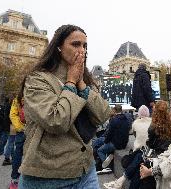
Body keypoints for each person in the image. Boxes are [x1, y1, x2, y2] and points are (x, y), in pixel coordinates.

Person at [19, 24, 111, 189]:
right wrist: (70, 82)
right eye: (76, 44)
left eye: (85, 46)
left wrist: (81, 82)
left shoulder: (85, 80)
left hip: (85, 170)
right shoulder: (38, 79)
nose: (81, 50)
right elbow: (56, 120)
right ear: (59, 47)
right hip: (48, 176)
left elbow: (103, 114)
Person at [104, 105, 152, 189]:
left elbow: (134, 134)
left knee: (135, 160)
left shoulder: (136, 123)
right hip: (144, 151)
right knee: (137, 165)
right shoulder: (153, 123)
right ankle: (121, 180)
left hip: (141, 151)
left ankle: (119, 178)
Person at [97, 104, 130, 172]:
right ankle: (109, 157)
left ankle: (106, 167)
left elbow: (109, 134)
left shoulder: (114, 120)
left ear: (114, 110)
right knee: (101, 142)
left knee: (99, 150)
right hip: (124, 143)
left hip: (116, 144)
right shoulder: (127, 119)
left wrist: (106, 142)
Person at [8, 88, 26, 189]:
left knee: (17, 152)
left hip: (21, 130)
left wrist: (19, 127)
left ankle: (15, 179)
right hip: (33, 130)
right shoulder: (34, 95)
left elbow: (12, 114)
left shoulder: (18, 98)